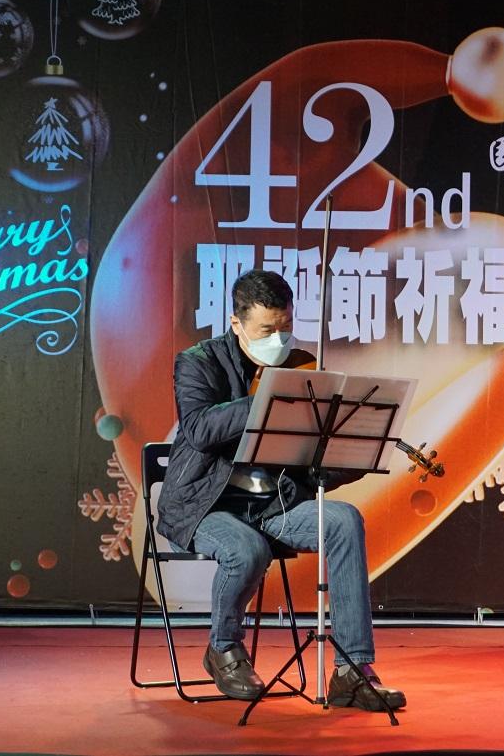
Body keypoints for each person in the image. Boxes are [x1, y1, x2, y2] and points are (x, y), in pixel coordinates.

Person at [157, 269, 405, 711]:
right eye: (266, 330)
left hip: (274, 503)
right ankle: (224, 648)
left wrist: (349, 455)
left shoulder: (301, 367)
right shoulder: (198, 362)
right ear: (237, 324)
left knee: (344, 520)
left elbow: (308, 462)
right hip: (205, 505)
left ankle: (352, 670)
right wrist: (267, 396)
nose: (279, 339)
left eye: (285, 327)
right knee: (247, 549)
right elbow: (198, 430)